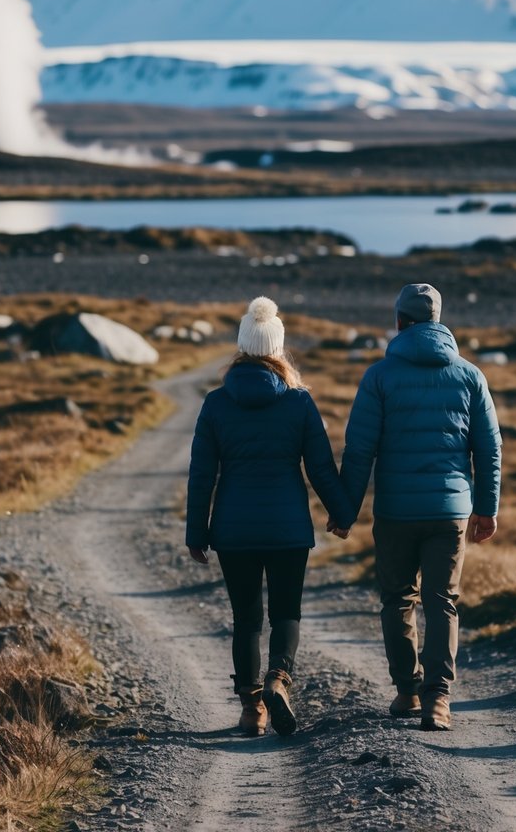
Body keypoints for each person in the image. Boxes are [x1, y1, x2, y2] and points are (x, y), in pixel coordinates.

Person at [334, 282, 501, 732]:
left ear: (400, 322)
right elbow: (488, 449)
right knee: (442, 600)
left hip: (396, 513)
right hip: (450, 512)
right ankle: (439, 701)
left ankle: (408, 691)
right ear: (438, 320)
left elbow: (358, 450)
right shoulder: (470, 375)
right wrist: (486, 509)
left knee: (398, 600)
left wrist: (345, 511)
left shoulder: (379, 377)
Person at [186, 296, 354, 737]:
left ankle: (251, 709)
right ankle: (279, 678)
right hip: (288, 529)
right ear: (277, 349)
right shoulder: (299, 403)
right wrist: (341, 513)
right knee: (286, 612)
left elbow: (202, 474)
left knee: (245, 619)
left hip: (233, 530)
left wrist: (195, 533)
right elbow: (319, 467)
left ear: (242, 347)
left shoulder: (217, 403)